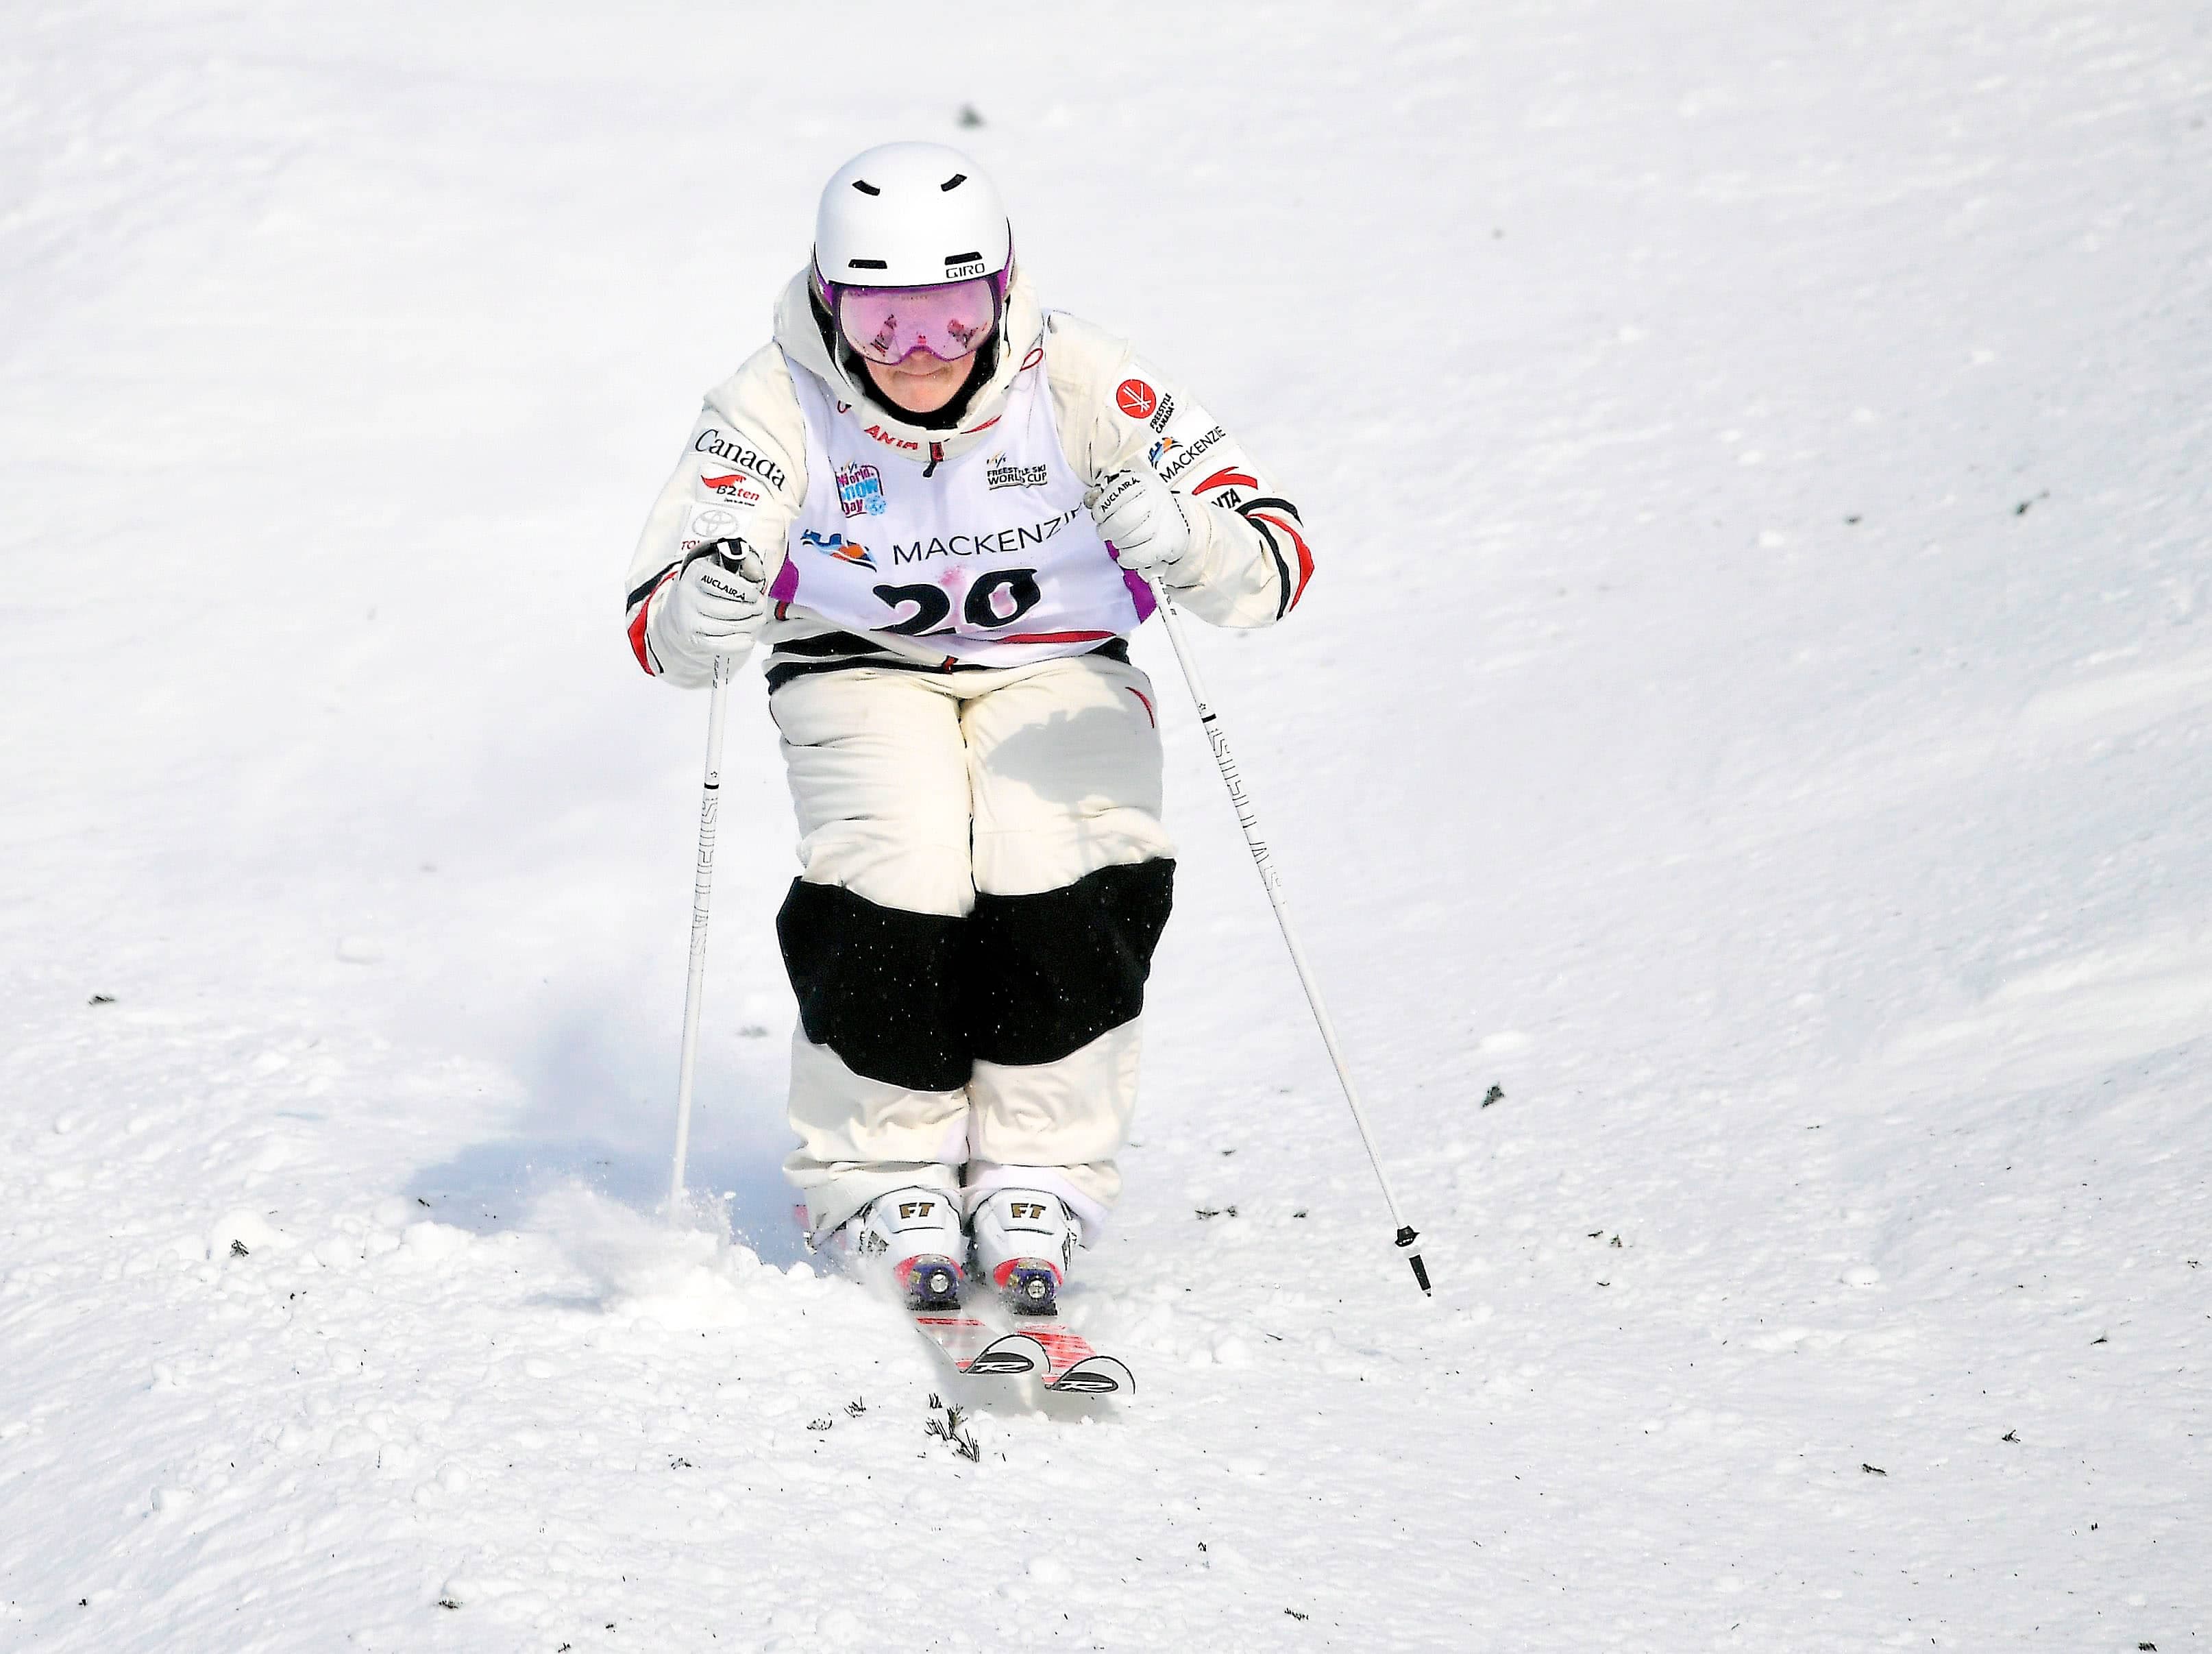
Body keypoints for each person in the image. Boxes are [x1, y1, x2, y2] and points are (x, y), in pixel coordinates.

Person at [623, 141, 1314, 1315]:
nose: (919, 355)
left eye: (950, 314)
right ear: (830, 303)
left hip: (1059, 661)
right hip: (859, 668)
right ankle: (878, 1171)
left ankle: (1039, 1164)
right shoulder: (771, 400)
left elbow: (1274, 564)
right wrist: (708, 604)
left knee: (1067, 861)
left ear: (1001, 290)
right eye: (883, 321)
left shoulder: (1087, 378)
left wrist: (1183, 540)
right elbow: (664, 633)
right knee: (900, 864)